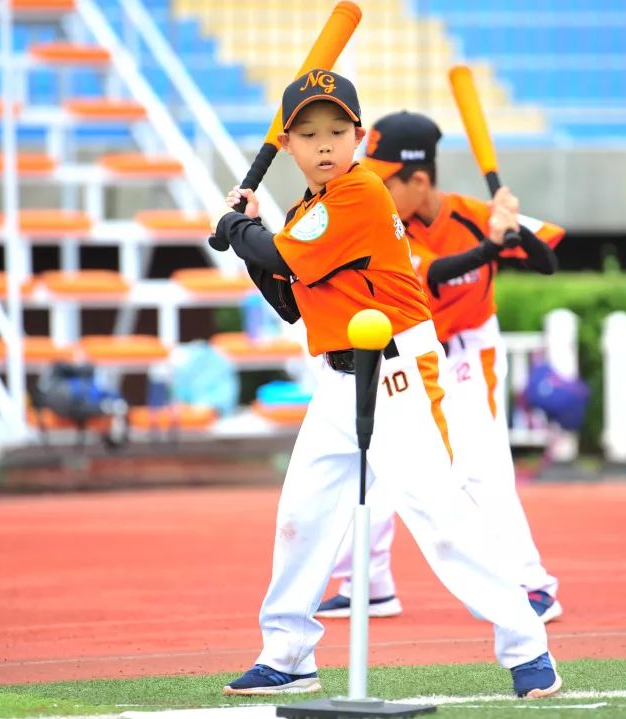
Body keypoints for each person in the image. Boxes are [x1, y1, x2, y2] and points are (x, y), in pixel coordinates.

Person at [209, 70, 561, 699]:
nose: (324, 145)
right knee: (301, 516)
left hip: (400, 373)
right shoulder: (304, 212)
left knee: (442, 519)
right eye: (309, 134)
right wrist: (247, 239)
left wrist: (238, 229)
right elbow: (290, 297)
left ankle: (527, 645)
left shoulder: (362, 193)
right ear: (286, 145)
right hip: (339, 379)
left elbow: (283, 257)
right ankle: (288, 654)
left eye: (337, 132)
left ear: (359, 138)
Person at [316, 111, 564, 624]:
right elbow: (436, 272)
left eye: (384, 179)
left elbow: (548, 261)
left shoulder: (474, 213)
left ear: (420, 180)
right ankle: (371, 582)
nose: (373, 187)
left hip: (470, 350)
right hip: (413, 350)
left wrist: (513, 229)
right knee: (383, 462)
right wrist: (493, 247)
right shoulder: (385, 226)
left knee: (481, 466)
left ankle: (532, 583)